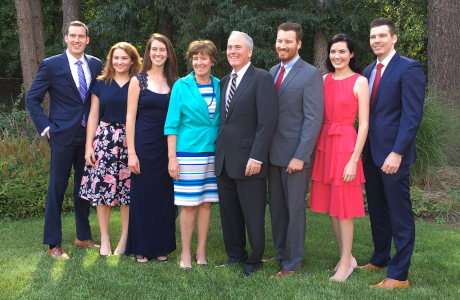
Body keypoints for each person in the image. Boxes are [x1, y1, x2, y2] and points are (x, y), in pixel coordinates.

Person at [26, 21, 103, 259]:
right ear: (66, 38)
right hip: (61, 135)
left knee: (84, 188)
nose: (77, 40)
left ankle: (83, 237)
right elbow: (32, 99)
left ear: (87, 40)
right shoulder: (51, 65)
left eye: (81, 36)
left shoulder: (97, 64)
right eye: (73, 36)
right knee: (56, 189)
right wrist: (47, 129)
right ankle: (53, 244)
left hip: (88, 136)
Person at [359, 17, 426, 289]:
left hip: (393, 156)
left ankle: (399, 275)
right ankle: (380, 258)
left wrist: (398, 152)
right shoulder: (367, 71)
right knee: (377, 210)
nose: (377, 40)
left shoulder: (409, 68)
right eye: (373, 36)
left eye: (382, 36)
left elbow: (412, 116)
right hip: (371, 154)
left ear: (394, 38)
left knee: (399, 213)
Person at [215, 31, 277, 277]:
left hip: (250, 159)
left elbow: (267, 122)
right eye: (229, 47)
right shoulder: (223, 82)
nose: (232, 51)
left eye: (238, 47)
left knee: (253, 215)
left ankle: (254, 260)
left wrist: (257, 156)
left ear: (249, 51)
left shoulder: (261, 78)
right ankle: (235, 255)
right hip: (224, 161)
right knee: (229, 214)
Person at [308, 34, 369, 281]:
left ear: (351, 54)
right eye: (333, 52)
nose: (337, 56)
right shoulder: (323, 80)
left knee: (343, 207)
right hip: (325, 145)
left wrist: (354, 160)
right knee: (333, 207)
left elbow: (364, 124)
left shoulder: (360, 81)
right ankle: (347, 256)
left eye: (342, 52)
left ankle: (346, 262)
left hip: (346, 146)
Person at [267, 22, 324, 279]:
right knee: (277, 209)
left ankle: (292, 263)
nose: (282, 45)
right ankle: (281, 252)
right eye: (280, 41)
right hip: (272, 154)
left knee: (294, 210)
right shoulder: (270, 71)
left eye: (288, 41)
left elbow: (313, 119)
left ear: (299, 44)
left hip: (295, 156)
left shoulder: (310, 74)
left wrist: (301, 156)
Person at [79, 42, 142, 256]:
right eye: (116, 58)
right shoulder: (101, 83)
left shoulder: (139, 82)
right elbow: (94, 115)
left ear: (132, 60)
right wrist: (89, 145)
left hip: (130, 142)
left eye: (124, 58)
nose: (119, 62)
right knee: (102, 192)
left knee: (128, 192)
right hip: (104, 140)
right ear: (110, 60)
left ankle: (124, 240)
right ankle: (104, 240)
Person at [165, 40, 220, 270]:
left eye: (203, 58)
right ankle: (185, 254)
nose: (199, 62)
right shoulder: (181, 86)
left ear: (212, 61)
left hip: (214, 153)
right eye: (195, 58)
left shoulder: (220, 84)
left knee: (206, 203)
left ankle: (201, 252)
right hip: (188, 154)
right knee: (188, 205)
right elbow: (171, 124)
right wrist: (172, 158)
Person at [125, 33, 179, 263]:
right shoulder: (138, 81)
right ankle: (141, 246)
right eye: (154, 49)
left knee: (164, 196)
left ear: (168, 54)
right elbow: (129, 117)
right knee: (143, 195)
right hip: (143, 145)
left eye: (162, 50)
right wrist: (131, 153)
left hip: (167, 145)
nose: (158, 53)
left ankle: (160, 246)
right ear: (148, 53)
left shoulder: (175, 82)